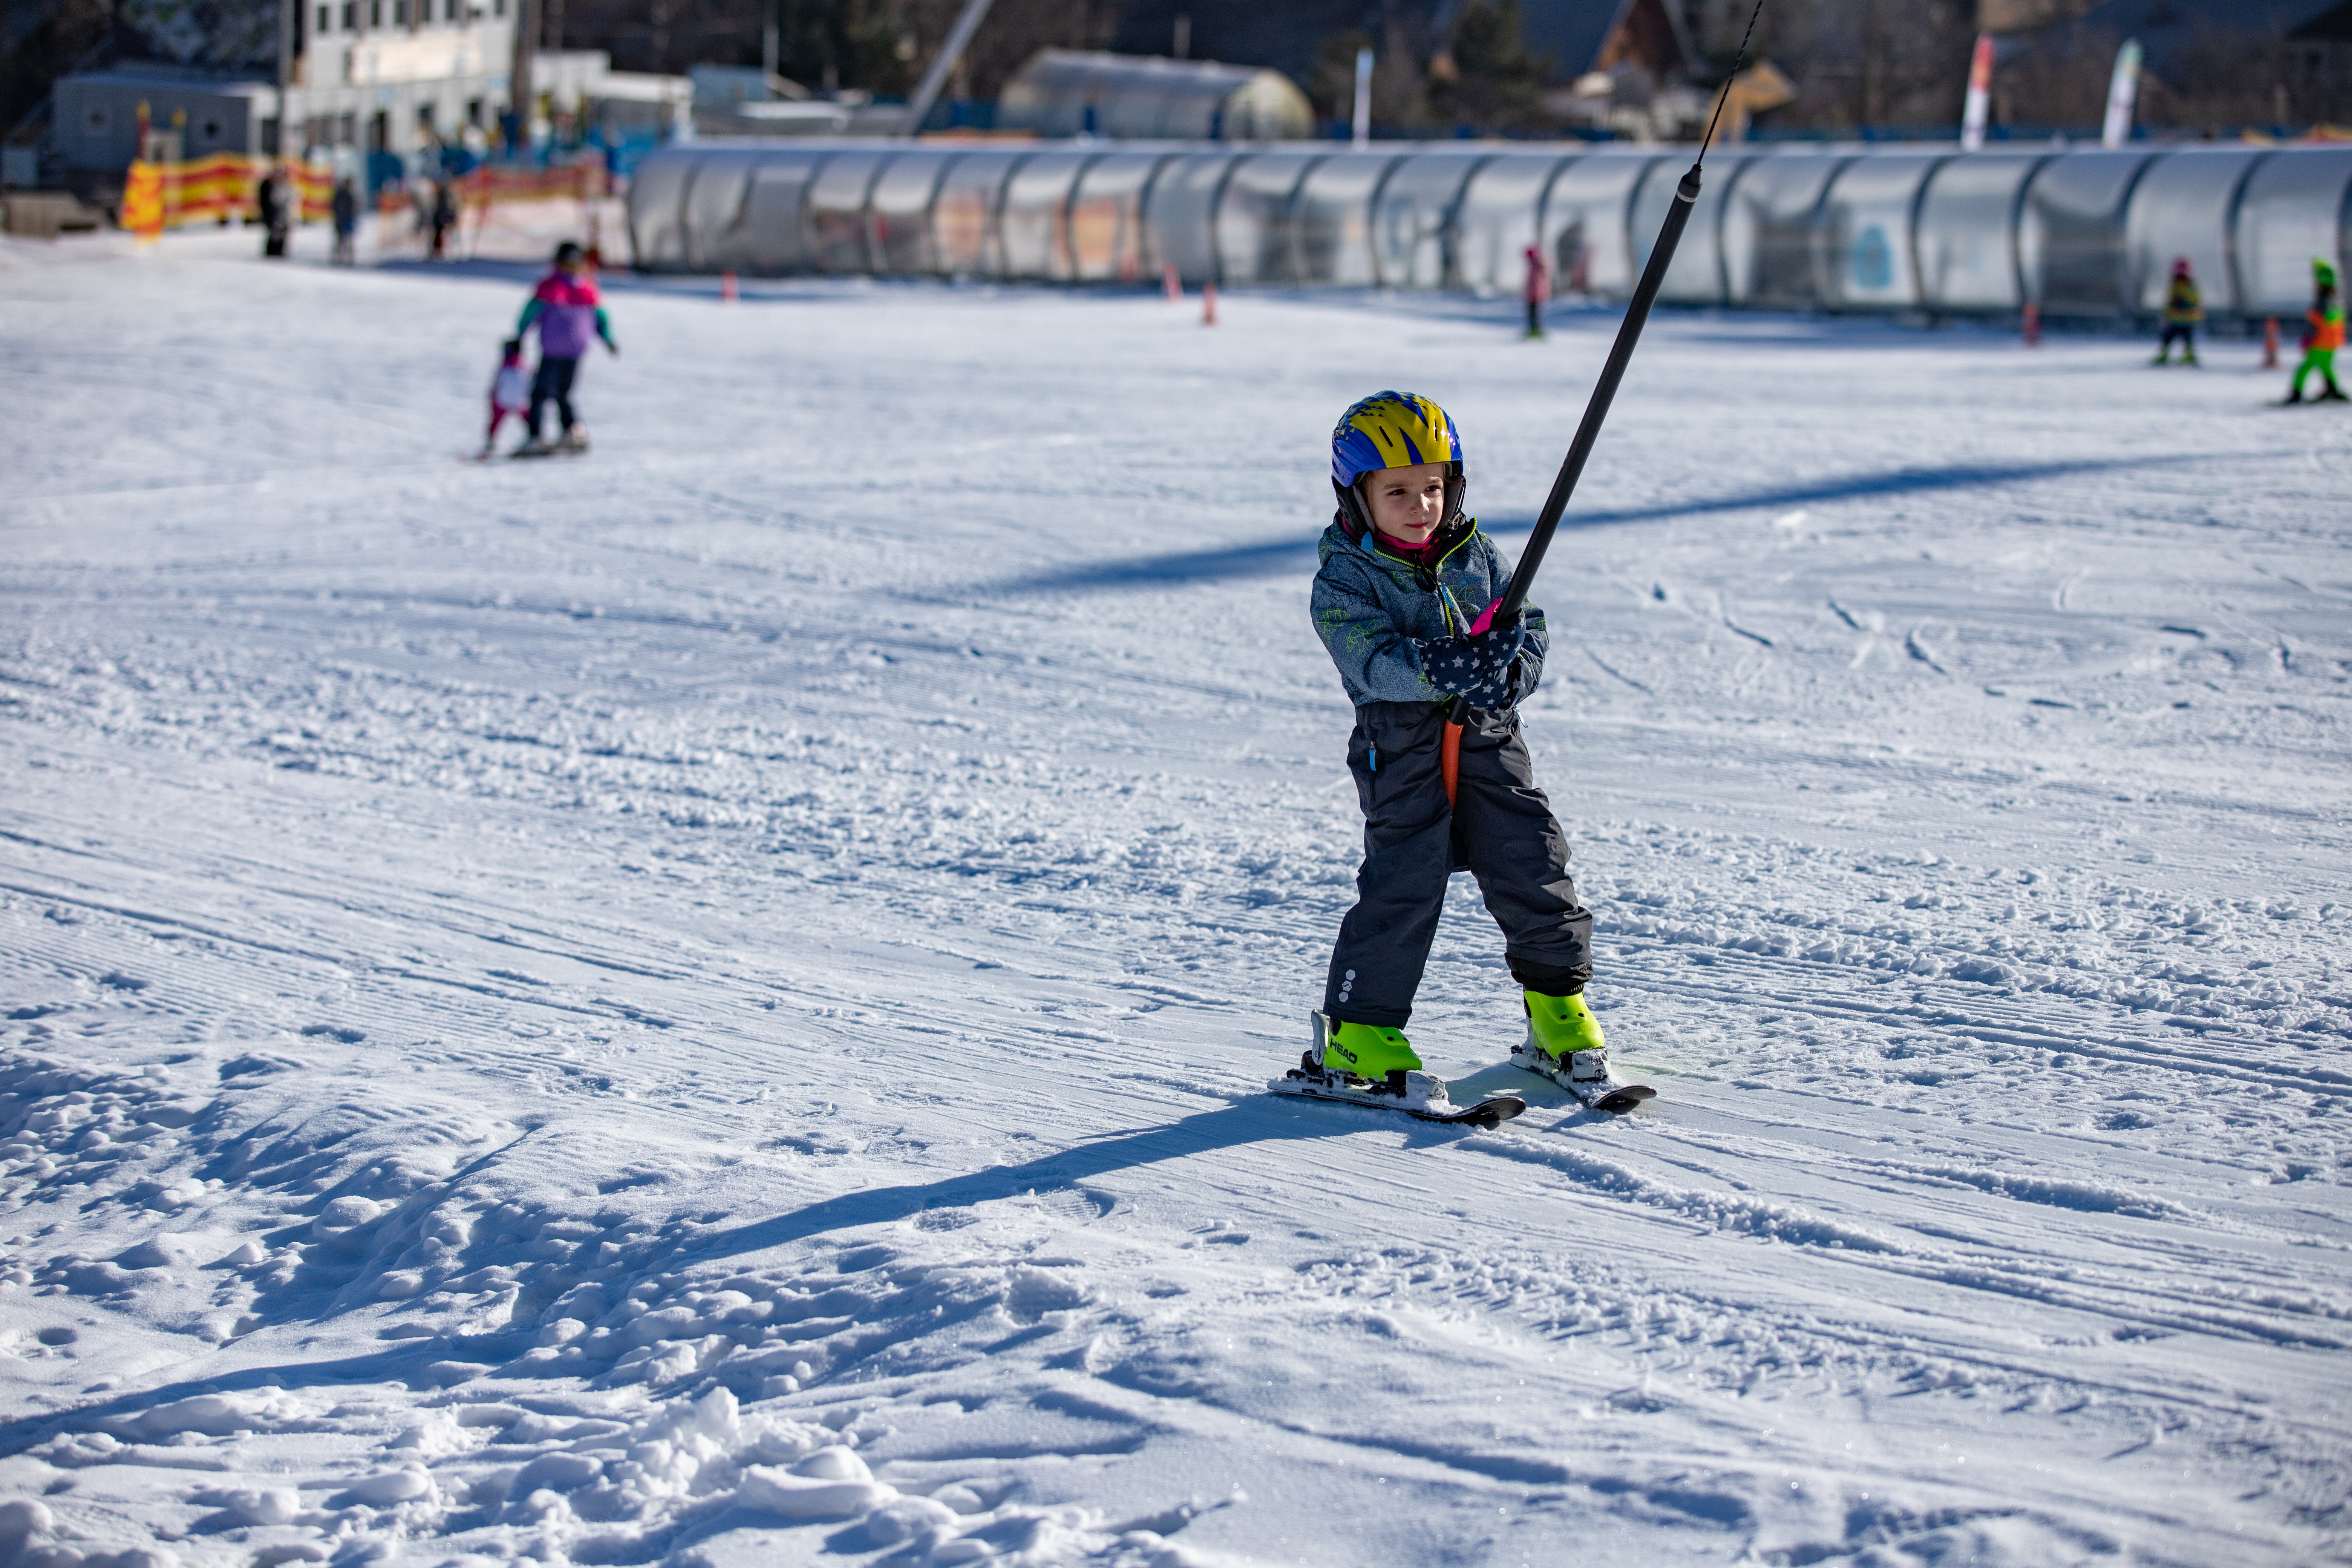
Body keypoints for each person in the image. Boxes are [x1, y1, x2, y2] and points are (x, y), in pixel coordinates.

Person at [1302, 392, 1623, 1109]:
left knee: (1532, 856)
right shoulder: (1345, 579)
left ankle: (1557, 1010)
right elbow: (1369, 659)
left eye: (1433, 487)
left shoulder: (1475, 552)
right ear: (1355, 499)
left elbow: (1526, 623)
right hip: (1402, 743)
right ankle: (1359, 1030)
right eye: (1397, 492)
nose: (1421, 506)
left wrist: (1510, 670)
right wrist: (1436, 667)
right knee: (1406, 878)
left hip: (1486, 730)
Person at [513, 240, 617, 456]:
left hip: (553, 349)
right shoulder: (588, 288)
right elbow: (601, 318)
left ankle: (536, 437)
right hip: (576, 349)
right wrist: (607, 339)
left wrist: (520, 335)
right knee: (565, 393)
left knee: (540, 394)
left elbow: (531, 313)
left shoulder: (551, 286)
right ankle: (573, 431)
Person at [2285, 257, 2346, 404]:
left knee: (2304, 368)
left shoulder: (2320, 303)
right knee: (2326, 367)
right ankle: (2333, 390)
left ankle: (2296, 393)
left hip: (2319, 343)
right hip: (2332, 344)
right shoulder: (2335, 301)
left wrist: (2307, 339)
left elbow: (2315, 323)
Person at [481, 339, 532, 458]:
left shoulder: (504, 364)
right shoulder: (524, 364)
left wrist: (492, 395)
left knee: (496, 420)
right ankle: (534, 437)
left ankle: (491, 441)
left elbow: (498, 382)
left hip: (502, 400)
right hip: (521, 400)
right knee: (527, 419)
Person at [2153, 257, 2200, 365]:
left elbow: (2196, 300)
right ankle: (2164, 354)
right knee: (2168, 338)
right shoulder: (2174, 285)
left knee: (2188, 339)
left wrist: (2185, 303)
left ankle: (2189, 355)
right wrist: (2169, 310)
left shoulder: (2191, 286)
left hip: (2188, 319)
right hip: (2175, 319)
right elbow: (2169, 301)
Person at [256, 168, 287, 259]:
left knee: (280, 231)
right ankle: (272, 251)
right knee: (273, 231)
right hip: (271, 213)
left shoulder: (282, 185)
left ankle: (277, 251)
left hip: (279, 213)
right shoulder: (268, 185)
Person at [331, 177, 358, 266]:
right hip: (341, 220)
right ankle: (338, 259)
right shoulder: (341, 194)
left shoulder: (351, 194)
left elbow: (355, 208)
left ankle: (349, 260)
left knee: (349, 241)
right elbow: (335, 206)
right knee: (340, 240)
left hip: (348, 220)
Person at [430, 176, 458, 261]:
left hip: (442, 216)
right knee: (438, 234)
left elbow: (448, 206)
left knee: (442, 234)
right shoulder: (441, 194)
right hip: (440, 216)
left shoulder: (445, 194)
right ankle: (437, 251)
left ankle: (442, 251)